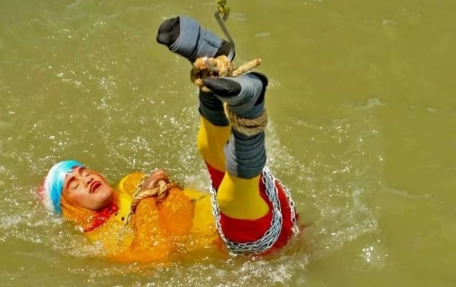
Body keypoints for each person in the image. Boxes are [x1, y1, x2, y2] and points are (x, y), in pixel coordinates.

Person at [40, 15, 299, 263]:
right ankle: (248, 109)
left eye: (82, 171)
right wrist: (147, 200)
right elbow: (157, 254)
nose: (85, 179)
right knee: (228, 199)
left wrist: (146, 197)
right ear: (69, 208)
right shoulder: (98, 240)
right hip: (259, 243)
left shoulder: (130, 184)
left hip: (255, 211)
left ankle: (210, 71)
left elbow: (177, 210)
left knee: (209, 152)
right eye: (73, 185)